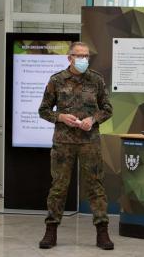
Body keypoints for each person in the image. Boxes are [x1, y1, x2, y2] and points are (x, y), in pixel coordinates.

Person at [37, 42, 114, 250]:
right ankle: (51, 230)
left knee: (96, 187)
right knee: (59, 187)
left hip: (90, 142)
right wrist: (60, 116)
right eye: (79, 56)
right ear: (69, 58)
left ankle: (102, 232)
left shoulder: (96, 80)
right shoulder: (57, 80)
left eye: (86, 56)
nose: (83, 60)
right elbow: (43, 110)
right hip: (63, 142)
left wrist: (93, 118)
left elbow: (107, 108)